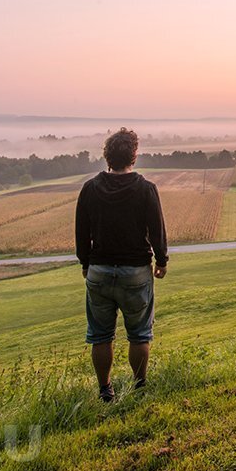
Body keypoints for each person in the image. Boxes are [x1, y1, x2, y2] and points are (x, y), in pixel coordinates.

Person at [75, 128, 168, 402]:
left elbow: (82, 232)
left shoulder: (90, 188)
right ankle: (139, 387)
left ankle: (105, 390)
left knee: (101, 335)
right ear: (134, 156)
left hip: (99, 271)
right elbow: (157, 230)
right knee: (139, 334)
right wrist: (161, 261)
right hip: (136, 272)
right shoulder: (146, 189)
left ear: (107, 157)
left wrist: (85, 263)